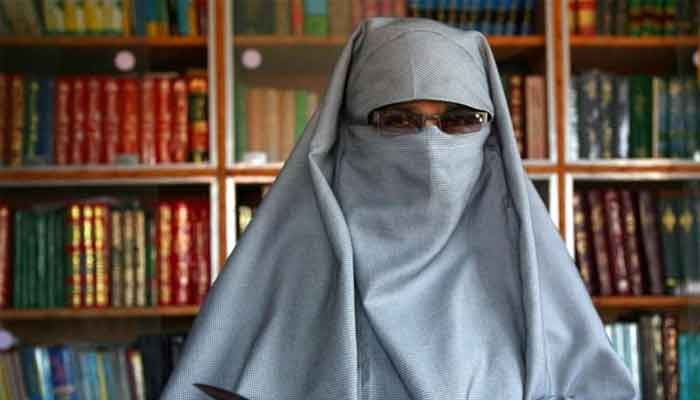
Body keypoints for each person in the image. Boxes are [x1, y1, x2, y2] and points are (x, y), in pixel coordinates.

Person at [160, 17, 638, 400]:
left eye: (459, 120)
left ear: (490, 134)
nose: (430, 146)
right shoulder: (279, 283)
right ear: (348, 133)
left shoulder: (534, 283)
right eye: (397, 120)